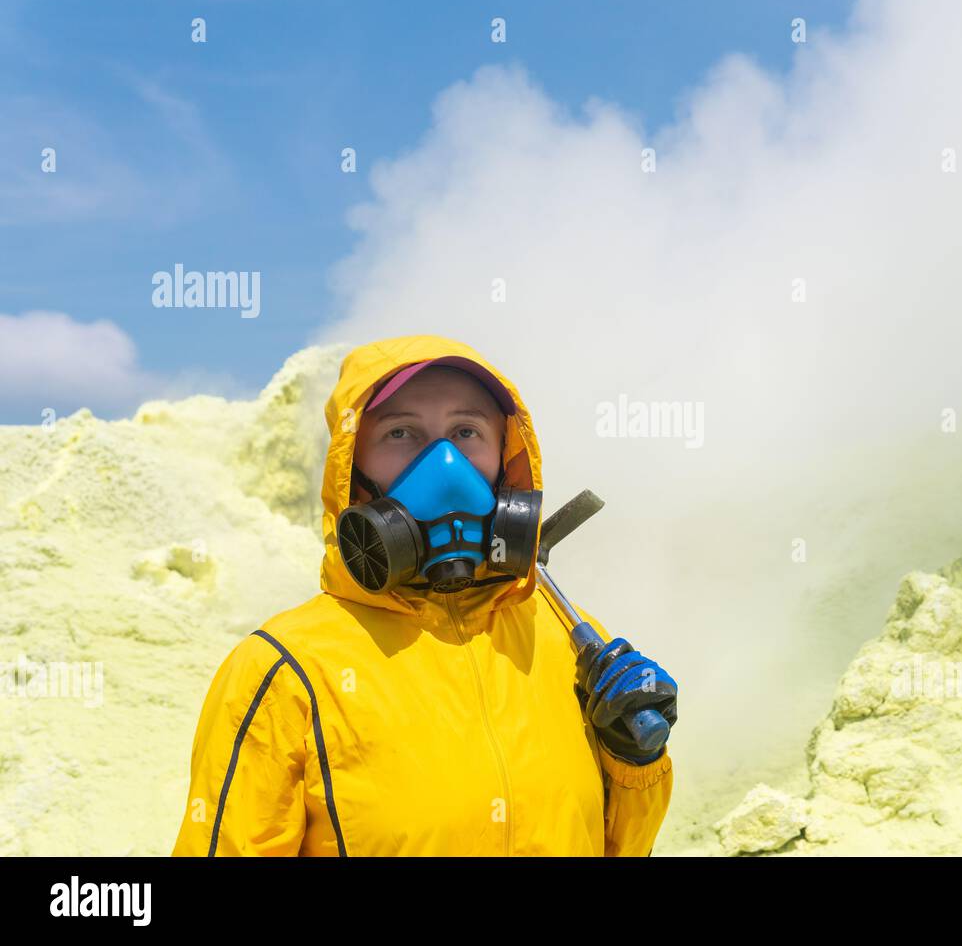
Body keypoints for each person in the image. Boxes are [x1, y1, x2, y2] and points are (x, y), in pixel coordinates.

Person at [172, 334, 677, 856]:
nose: (446, 464)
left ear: (506, 458)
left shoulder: (568, 640)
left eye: (466, 431)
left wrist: (633, 760)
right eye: (401, 433)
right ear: (351, 468)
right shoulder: (286, 669)